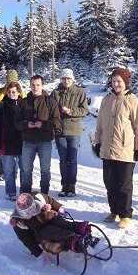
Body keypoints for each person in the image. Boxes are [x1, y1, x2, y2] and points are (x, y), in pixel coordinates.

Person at [92, 67, 138, 229]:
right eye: (114, 81)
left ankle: (125, 214)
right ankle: (114, 211)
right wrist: (97, 143)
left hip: (125, 150)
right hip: (107, 150)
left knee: (124, 185)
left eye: (119, 81)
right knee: (110, 183)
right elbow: (100, 125)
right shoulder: (106, 100)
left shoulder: (132, 100)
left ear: (125, 83)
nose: (116, 84)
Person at [10, 192, 92, 262]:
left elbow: (51, 201)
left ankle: (81, 228)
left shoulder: (38, 197)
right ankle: (73, 241)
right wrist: (38, 254)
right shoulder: (18, 223)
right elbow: (27, 240)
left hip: (50, 218)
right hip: (39, 232)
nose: (31, 215)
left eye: (33, 212)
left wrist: (59, 208)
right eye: (28, 215)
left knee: (62, 223)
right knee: (54, 232)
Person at [15, 75, 60, 195]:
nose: (35, 87)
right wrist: (26, 124)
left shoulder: (50, 102)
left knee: (45, 170)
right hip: (28, 141)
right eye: (33, 85)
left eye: (38, 85)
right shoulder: (23, 102)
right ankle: (25, 195)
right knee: (26, 170)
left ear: (42, 85)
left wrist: (43, 125)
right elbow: (17, 122)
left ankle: (44, 195)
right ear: (30, 86)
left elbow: (57, 122)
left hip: (44, 141)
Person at [51, 69, 90, 197]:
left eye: (68, 78)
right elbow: (50, 109)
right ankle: (64, 185)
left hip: (74, 130)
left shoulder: (79, 92)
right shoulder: (55, 93)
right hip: (60, 130)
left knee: (72, 159)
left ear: (72, 79)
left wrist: (71, 111)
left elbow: (84, 110)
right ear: (61, 79)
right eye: (64, 78)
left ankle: (72, 185)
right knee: (63, 159)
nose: (66, 81)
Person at [0, 70, 25, 181]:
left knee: (17, 153)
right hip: (3, 125)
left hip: (17, 129)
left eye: (13, 79)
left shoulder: (20, 92)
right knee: (3, 151)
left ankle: (15, 172)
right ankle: (3, 172)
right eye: (9, 79)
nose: (10, 81)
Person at [0, 82, 24, 201]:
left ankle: (24, 192)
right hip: (7, 143)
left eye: (14, 92)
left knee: (24, 170)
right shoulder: (1, 106)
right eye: (9, 92)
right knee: (9, 170)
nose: (11, 94)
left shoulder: (24, 104)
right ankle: (11, 193)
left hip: (22, 142)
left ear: (19, 92)